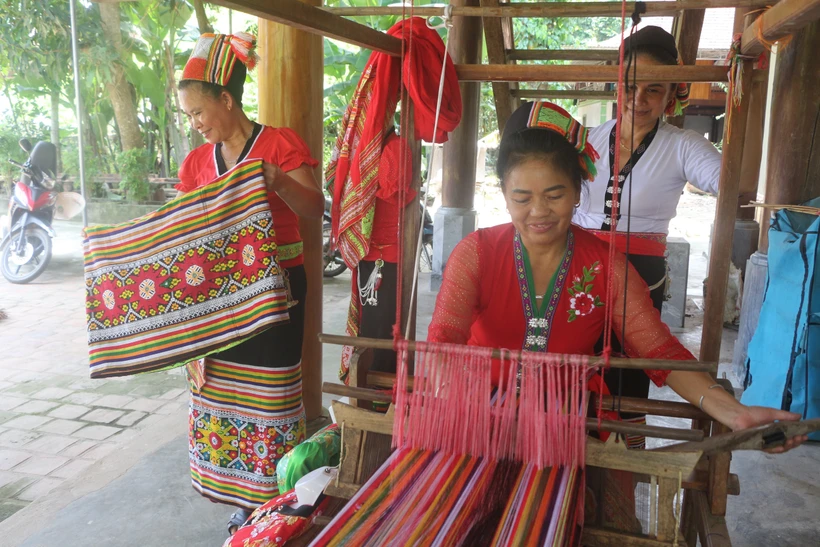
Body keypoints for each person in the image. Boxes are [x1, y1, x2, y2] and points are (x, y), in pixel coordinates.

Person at [427, 100, 806, 527]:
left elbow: (656, 350)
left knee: (598, 524)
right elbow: (445, 337)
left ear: (578, 189)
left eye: (555, 195)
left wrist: (733, 413)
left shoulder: (605, 265)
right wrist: (451, 403)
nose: (539, 211)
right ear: (503, 194)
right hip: (482, 417)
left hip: (572, 422)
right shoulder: (476, 254)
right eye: (522, 197)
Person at [174, 32, 324, 535]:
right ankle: (240, 501)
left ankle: (273, 500)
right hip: (218, 300)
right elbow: (185, 233)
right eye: (189, 117)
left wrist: (276, 179)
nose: (195, 125)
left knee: (273, 394)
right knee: (223, 395)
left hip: (279, 291)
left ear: (226, 99)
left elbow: (313, 210)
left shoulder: (280, 144)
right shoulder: (197, 165)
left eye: (198, 113)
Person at [572, 25, 726, 444]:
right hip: (579, 268)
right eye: (630, 86)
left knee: (628, 377)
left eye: (653, 90)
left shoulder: (684, 146)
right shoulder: (588, 140)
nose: (639, 100)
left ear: (672, 93)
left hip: (639, 275)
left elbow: (730, 183)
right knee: (572, 367)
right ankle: (570, 462)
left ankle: (623, 473)